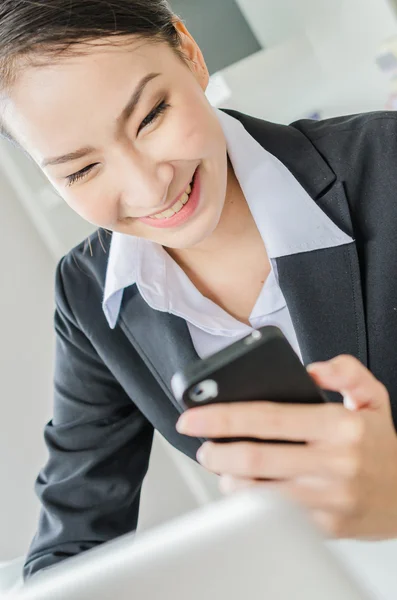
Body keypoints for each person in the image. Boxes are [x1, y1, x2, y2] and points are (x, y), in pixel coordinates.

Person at [1, 0, 397, 581]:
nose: (146, 188)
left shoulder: (386, 165)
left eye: (151, 116)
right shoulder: (90, 293)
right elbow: (72, 538)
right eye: (80, 170)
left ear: (189, 52)